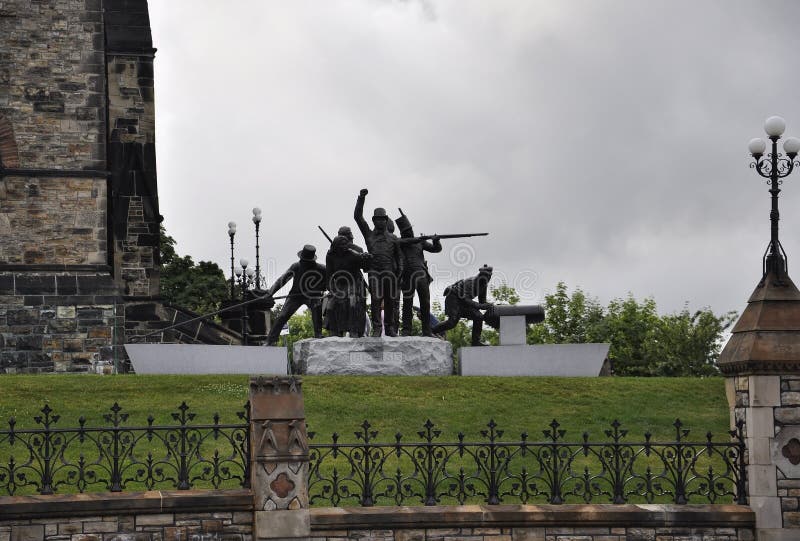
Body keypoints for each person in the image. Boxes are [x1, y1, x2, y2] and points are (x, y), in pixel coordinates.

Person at [354, 189, 403, 337]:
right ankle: (377, 328)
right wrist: (361, 198)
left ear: (386, 220)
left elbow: (399, 256)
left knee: (390, 300)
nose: (380, 221)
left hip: (389, 271)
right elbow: (358, 217)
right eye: (378, 219)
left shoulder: (393, 238)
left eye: (383, 219)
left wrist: (400, 269)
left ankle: (389, 328)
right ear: (374, 221)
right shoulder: (369, 235)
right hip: (374, 271)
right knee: (376, 298)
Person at [264, 245, 326, 345]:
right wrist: (270, 293)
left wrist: (318, 289)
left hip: (312, 296)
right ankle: (270, 340)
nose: (302, 262)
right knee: (282, 316)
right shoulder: (296, 266)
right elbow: (282, 280)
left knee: (317, 307)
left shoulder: (321, 269)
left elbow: (328, 283)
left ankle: (318, 333)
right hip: (295, 296)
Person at [395, 210, 441, 336]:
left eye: (410, 229)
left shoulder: (420, 242)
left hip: (421, 274)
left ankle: (426, 330)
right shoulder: (400, 243)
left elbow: (436, 249)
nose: (409, 231)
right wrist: (413, 240)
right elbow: (397, 242)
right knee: (407, 302)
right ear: (403, 233)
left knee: (425, 302)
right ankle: (406, 330)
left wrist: (436, 241)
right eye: (407, 231)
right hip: (407, 275)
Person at [432, 265, 494, 346]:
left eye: (489, 277)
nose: (487, 279)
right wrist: (481, 306)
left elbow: (482, 301)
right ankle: (432, 331)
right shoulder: (471, 282)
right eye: (486, 276)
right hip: (453, 297)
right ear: (481, 275)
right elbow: (466, 299)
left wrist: (490, 306)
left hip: (463, 301)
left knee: (478, 316)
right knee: (452, 322)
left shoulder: (483, 285)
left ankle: (475, 341)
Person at [325, 234, 371, 337]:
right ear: (336, 246)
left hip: (353, 283)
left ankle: (354, 330)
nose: (346, 246)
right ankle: (334, 331)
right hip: (339, 285)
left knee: (352, 303)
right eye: (342, 244)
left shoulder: (353, 254)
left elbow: (366, 268)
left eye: (346, 244)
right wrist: (331, 289)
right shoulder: (330, 256)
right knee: (330, 306)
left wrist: (366, 258)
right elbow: (328, 277)